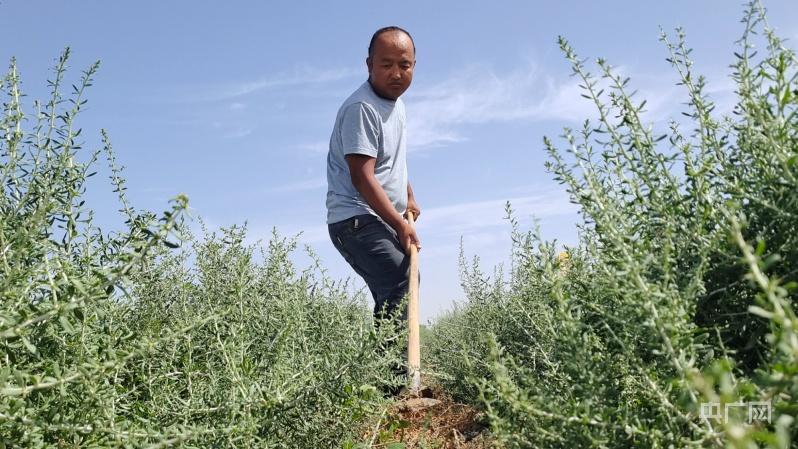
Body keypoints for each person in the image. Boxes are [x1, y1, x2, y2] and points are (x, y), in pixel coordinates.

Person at [325, 26, 422, 393]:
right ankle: (393, 387)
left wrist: (408, 195)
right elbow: (363, 176)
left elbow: (392, 163)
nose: (397, 73)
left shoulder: (396, 106)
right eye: (386, 64)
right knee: (400, 280)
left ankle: (387, 382)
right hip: (354, 218)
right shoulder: (362, 108)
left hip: (376, 216)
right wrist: (400, 223)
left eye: (405, 65)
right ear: (368, 65)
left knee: (399, 285)